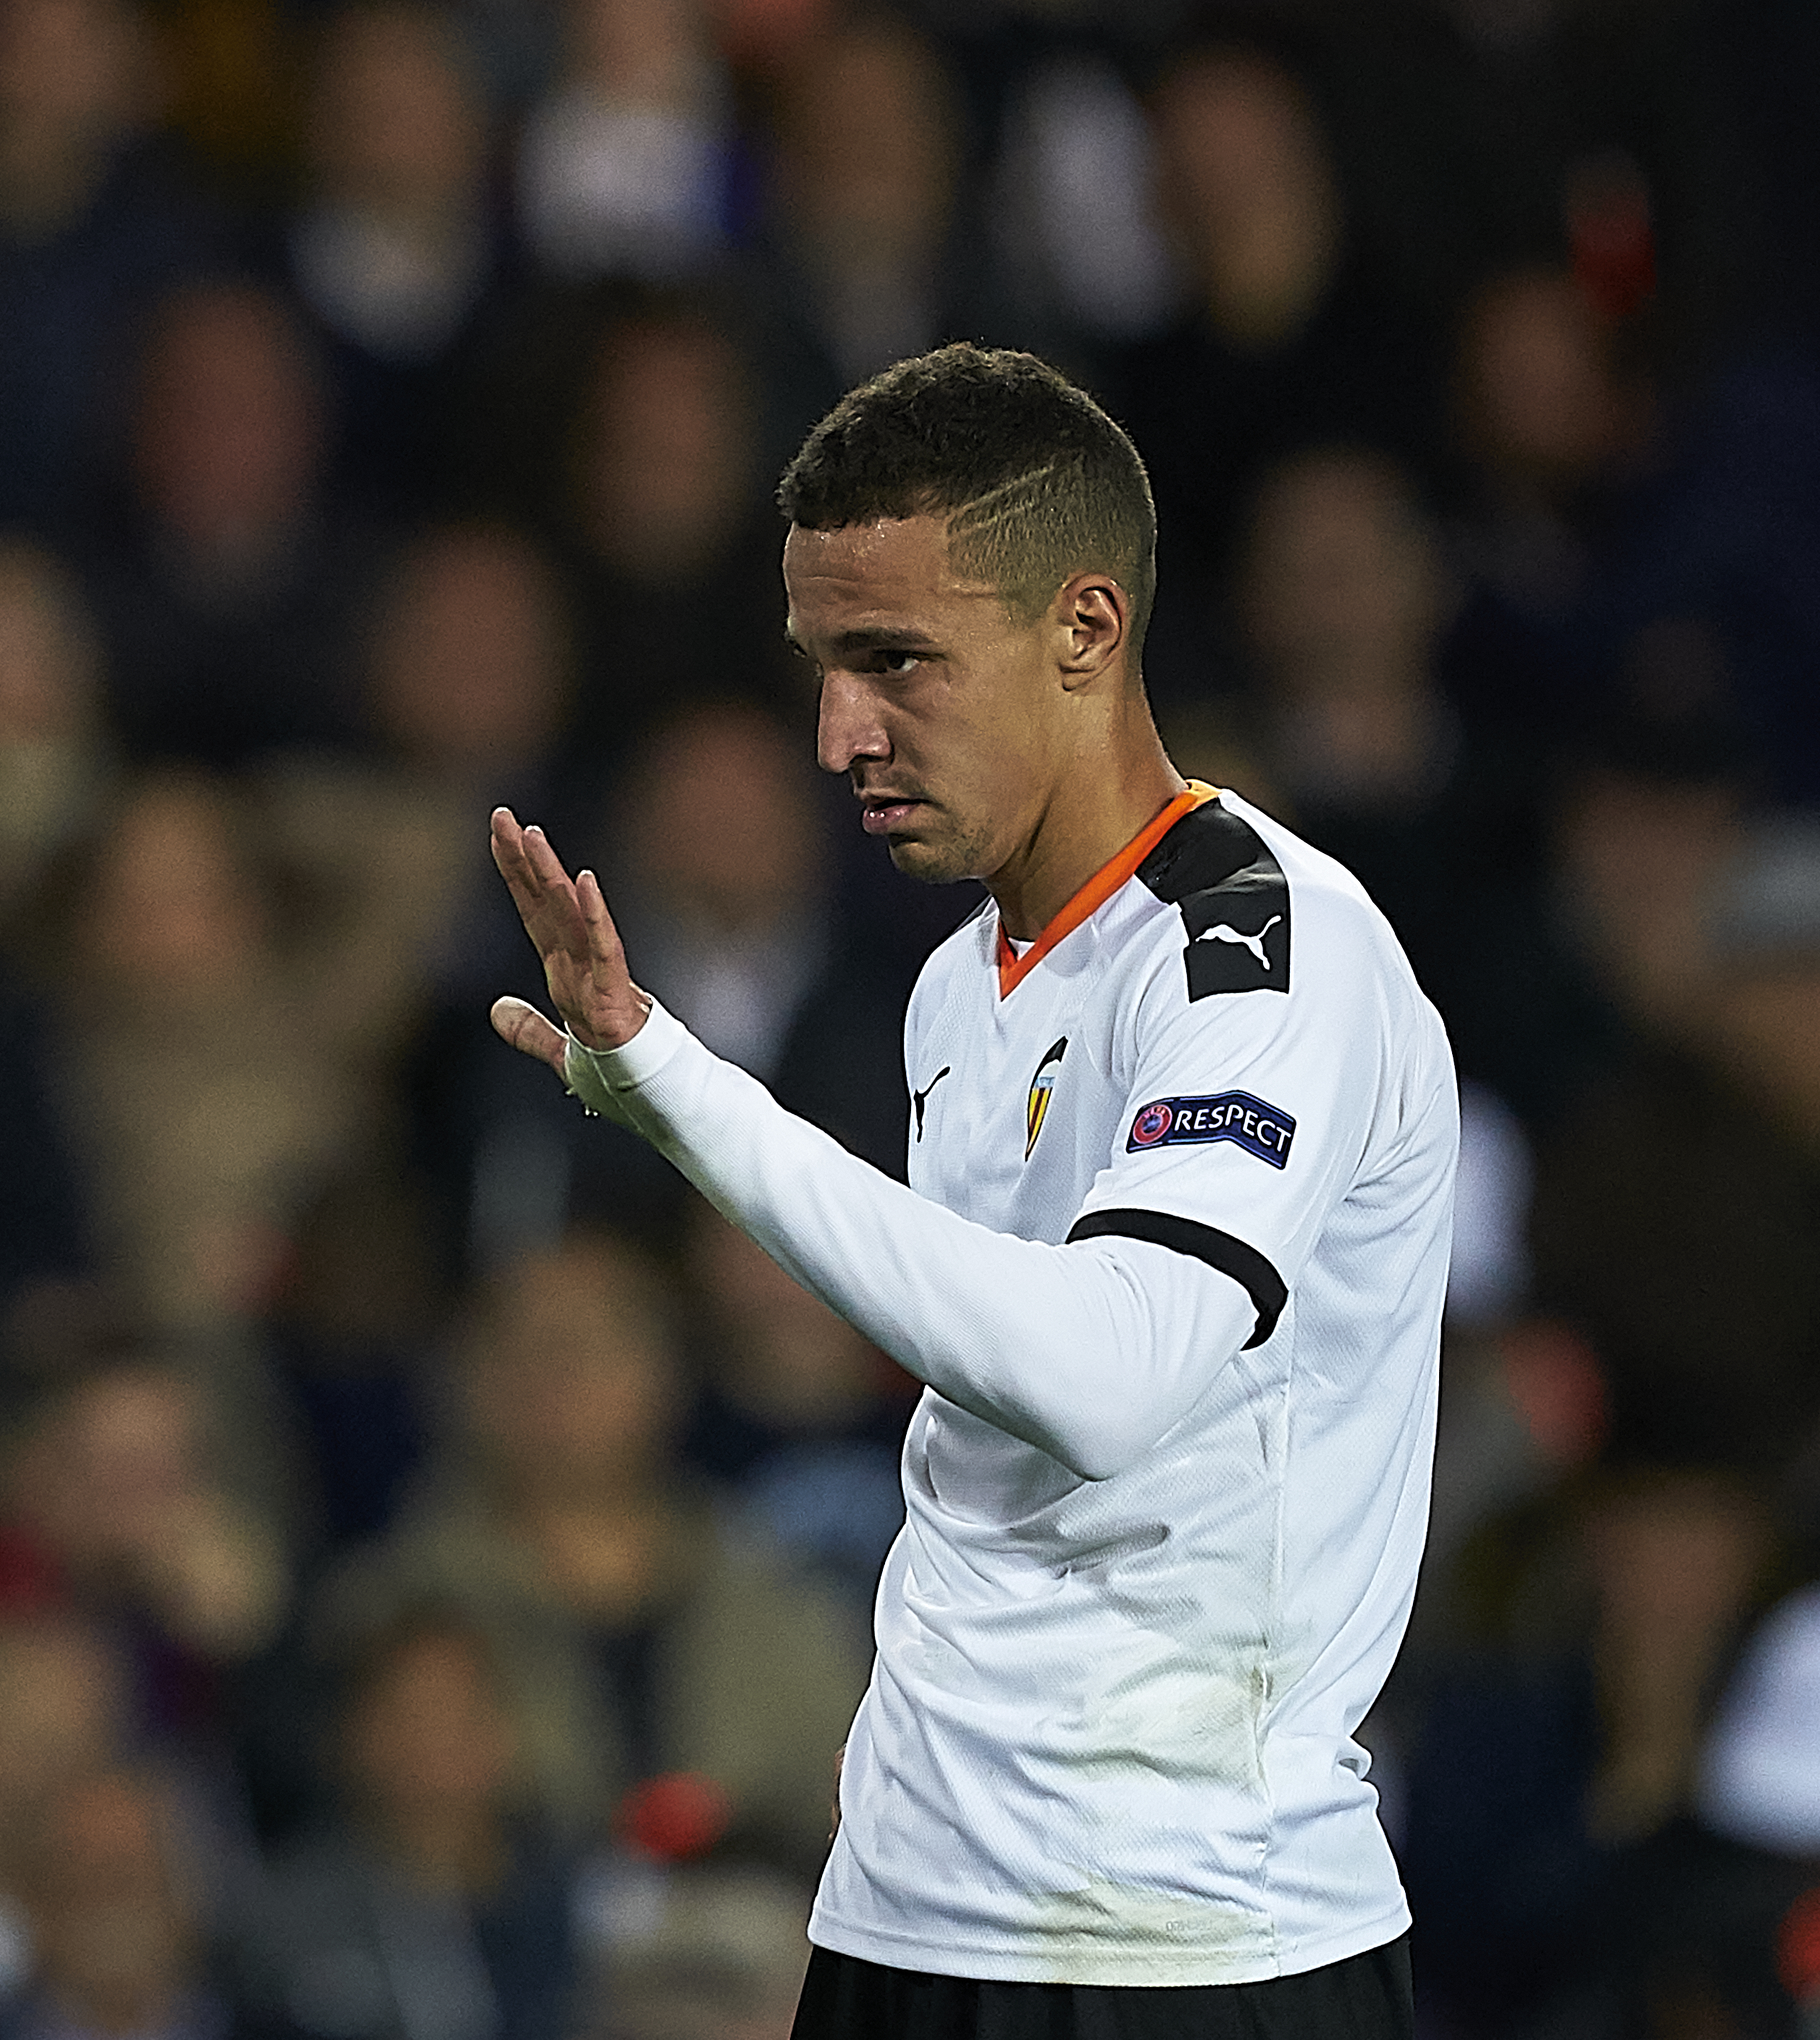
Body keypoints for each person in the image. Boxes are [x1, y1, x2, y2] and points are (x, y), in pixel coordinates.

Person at [487, 343, 1454, 2030]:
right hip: (906, 1911)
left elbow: (1106, 1376)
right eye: (817, 665)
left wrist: (683, 1090)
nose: (834, 731)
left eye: (893, 662)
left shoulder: (1258, 955)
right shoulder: (960, 978)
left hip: (1188, 1942)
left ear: (1084, 629)